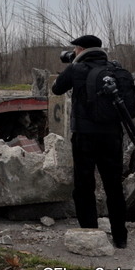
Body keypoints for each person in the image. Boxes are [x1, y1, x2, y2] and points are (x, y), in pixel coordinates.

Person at [51, 34, 128, 248]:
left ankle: (90, 234)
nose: (73, 52)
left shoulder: (76, 69)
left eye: (76, 49)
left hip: (84, 136)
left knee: (84, 186)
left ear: (81, 49)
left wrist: (71, 67)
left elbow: (56, 88)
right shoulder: (115, 70)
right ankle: (120, 237)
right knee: (114, 186)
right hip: (112, 136)